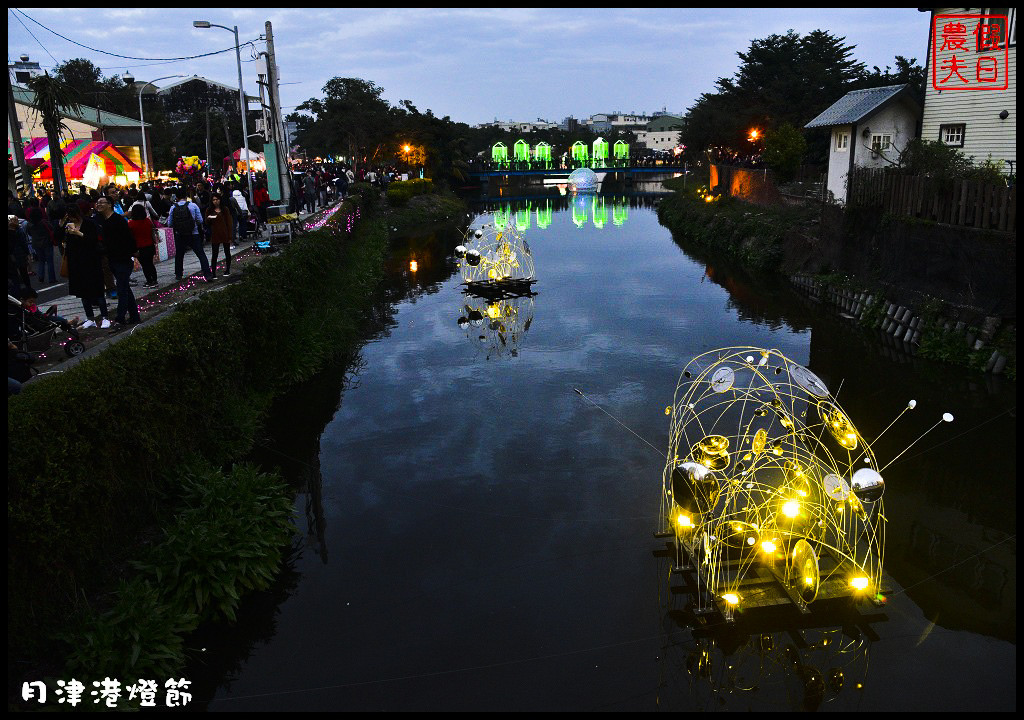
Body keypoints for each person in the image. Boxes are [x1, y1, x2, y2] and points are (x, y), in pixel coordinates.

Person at [94, 197, 140, 332]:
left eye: (102, 202)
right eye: (98, 202)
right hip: (113, 259)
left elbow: (128, 237)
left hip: (123, 260)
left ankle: (120, 319)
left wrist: (133, 251)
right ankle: (135, 316)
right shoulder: (103, 221)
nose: (99, 204)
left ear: (110, 205)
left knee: (121, 289)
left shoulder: (118, 220)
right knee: (125, 288)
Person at [62, 205, 110, 329]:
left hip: (91, 261)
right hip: (76, 263)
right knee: (83, 293)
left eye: (73, 217)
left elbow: (93, 240)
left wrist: (78, 233)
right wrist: (64, 227)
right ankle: (90, 318)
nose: (72, 220)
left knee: (98, 290)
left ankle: (105, 317)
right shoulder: (68, 226)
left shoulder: (89, 224)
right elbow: (64, 242)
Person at [168, 191, 213, 283]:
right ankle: (207, 274)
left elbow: (170, 224)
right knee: (201, 254)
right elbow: (200, 220)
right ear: (186, 196)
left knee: (179, 255)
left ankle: (178, 274)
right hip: (193, 233)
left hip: (180, 235)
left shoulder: (173, 207)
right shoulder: (193, 206)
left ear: (176, 197)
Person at [127, 203, 158, 288]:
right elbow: (152, 231)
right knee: (150, 264)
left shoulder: (131, 224)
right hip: (150, 245)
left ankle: (149, 281)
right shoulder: (148, 221)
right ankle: (154, 279)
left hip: (140, 247)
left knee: (145, 265)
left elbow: (131, 238)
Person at [26, 208, 58, 285]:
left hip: (36, 244)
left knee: (41, 261)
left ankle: (41, 277)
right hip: (46, 243)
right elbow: (52, 229)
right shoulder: (44, 222)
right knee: (50, 261)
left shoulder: (29, 224)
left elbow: (30, 234)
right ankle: (52, 278)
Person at [205, 193, 234, 278]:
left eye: (217, 199)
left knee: (227, 252)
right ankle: (213, 272)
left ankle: (227, 269)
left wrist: (230, 236)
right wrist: (208, 219)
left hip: (225, 233)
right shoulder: (209, 210)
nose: (215, 201)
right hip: (215, 234)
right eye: (213, 200)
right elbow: (206, 222)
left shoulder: (225, 209)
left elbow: (229, 223)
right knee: (215, 254)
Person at [8, 214, 32, 295]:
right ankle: (28, 288)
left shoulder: (12, 231)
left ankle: (18, 290)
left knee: (15, 274)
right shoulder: (19, 230)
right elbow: (23, 243)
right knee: (24, 272)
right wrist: (28, 254)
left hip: (12, 255)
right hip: (20, 253)